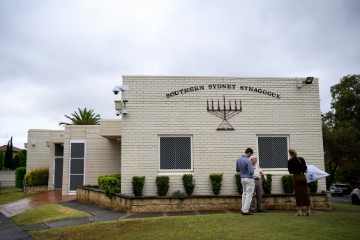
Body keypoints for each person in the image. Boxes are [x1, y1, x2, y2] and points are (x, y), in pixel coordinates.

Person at [287, 148, 311, 216]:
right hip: (303, 176)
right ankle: (308, 210)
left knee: (298, 194)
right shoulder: (301, 159)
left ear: (290, 154)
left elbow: (290, 171)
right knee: (306, 193)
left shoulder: (290, 161)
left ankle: (299, 211)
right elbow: (305, 169)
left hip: (296, 177)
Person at [236, 147, 255, 215]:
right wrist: (252, 171)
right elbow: (251, 171)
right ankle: (245, 210)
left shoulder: (238, 160)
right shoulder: (248, 160)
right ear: (249, 153)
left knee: (244, 194)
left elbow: (237, 170)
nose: (251, 156)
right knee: (249, 195)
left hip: (242, 178)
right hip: (249, 178)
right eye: (251, 154)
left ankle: (243, 208)